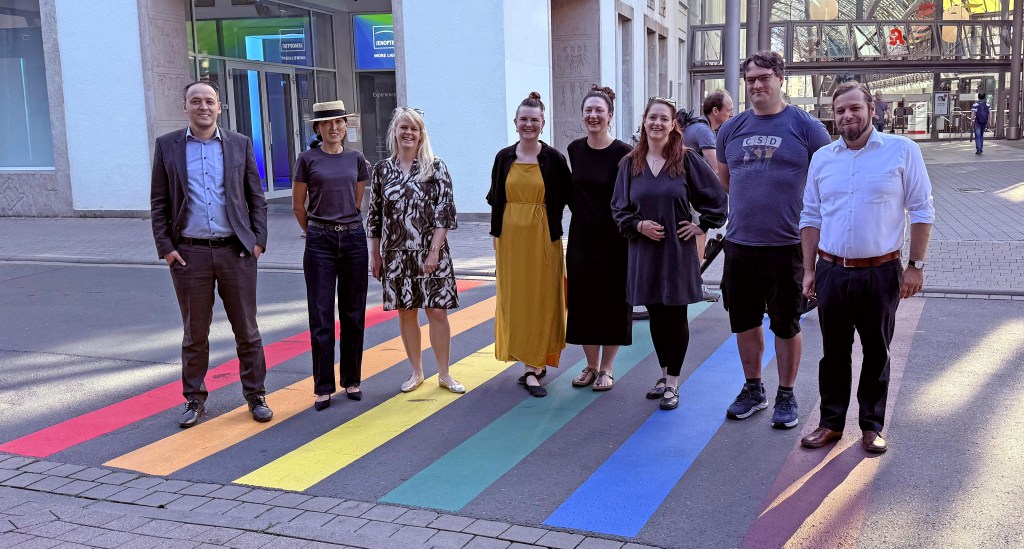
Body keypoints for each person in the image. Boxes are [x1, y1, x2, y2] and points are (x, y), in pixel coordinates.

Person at [799, 81, 934, 453]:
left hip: (881, 272)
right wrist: (809, 271)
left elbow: (922, 210)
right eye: (840, 110)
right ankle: (830, 424)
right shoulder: (823, 158)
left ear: (872, 109)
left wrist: (915, 266)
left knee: (877, 351)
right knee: (834, 353)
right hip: (831, 270)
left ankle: (871, 426)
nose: (847, 116)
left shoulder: (902, 151)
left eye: (855, 108)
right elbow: (810, 216)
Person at [716, 51, 832, 429]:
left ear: (780, 78)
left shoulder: (806, 127)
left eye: (764, 77)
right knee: (744, 321)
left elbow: (826, 180)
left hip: (787, 247)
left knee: (787, 323)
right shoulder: (730, 129)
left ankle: (786, 392)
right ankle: (754, 388)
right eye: (750, 80)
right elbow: (727, 182)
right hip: (741, 245)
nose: (757, 85)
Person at [150, 80, 273, 427]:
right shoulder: (167, 146)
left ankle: (256, 395)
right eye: (195, 101)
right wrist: (167, 249)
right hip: (189, 255)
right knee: (195, 333)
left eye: (209, 101)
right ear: (185, 106)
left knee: (247, 330)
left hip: (236, 252)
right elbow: (159, 202)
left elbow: (255, 197)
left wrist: (257, 241)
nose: (203, 107)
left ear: (219, 107)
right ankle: (194, 399)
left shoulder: (239, 144)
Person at [612, 97, 728, 410]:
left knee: (675, 315)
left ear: (673, 123)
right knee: (655, 314)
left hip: (676, 250)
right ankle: (664, 375)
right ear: (644, 121)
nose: (658, 123)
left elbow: (716, 197)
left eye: (664, 118)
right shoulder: (630, 163)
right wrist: (638, 226)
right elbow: (618, 208)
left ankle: (673, 382)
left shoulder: (686, 159)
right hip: (644, 251)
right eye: (653, 117)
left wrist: (701, 225)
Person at [367, 107, 463, 395]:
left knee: (437, 312)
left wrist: (434, 251)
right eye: (403, 128)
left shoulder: (436, 167)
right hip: (396, 254)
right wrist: (375, 254)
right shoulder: (382, 170)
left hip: (430, 252)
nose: (408, 133)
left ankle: (444, 373)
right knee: (406, 313)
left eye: (414, 129)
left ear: (422, 134)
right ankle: (416, 371)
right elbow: (374, 215)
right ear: (394, 133)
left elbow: (445, 213)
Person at [487, 91, 571, 398]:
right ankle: (528, 364)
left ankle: (535, 367)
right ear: (515, 122)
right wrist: (495, 237)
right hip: (510, 240)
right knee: (517, 301)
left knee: (542, 299)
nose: (528, 125)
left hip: (543, 239)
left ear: (543, 123)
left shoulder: (554, 159)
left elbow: (570, 198)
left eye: (534, 120)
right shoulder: (503, 157)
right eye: (523, 119)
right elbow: (495, 197)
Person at [291, 100, 369, 410]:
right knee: (321, 315)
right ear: (318, 128)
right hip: (320, 239)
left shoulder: (356, 159)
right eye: (327, 123)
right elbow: (299, 205)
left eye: (339, 122)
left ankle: (352, 380)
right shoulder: (307, 159)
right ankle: (323, 386)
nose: (334, 128)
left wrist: (345, 222)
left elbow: (357, 198)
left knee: (354, 314)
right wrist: (312, 230)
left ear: (345, 124)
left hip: (353, 238)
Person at [565, 85, 633, 391]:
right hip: (581, 236)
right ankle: (590, 365)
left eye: (599, 111)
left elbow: (631, 197)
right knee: (583, 302)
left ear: (610, 117)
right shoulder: (574, 149)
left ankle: (607, 367)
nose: (593, 116)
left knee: (612, 303)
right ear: (582, 116)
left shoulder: (624, 154)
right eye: (588, 111)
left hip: (615, 240)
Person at [681, 89, 735, 301]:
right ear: (715, 111)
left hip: (687, 194)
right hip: (695, 197)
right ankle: (696, 285)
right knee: (698, 238)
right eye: (728, 111)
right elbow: (715, 169)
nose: (731, 115)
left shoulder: (694, 127)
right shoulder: (703, 131)